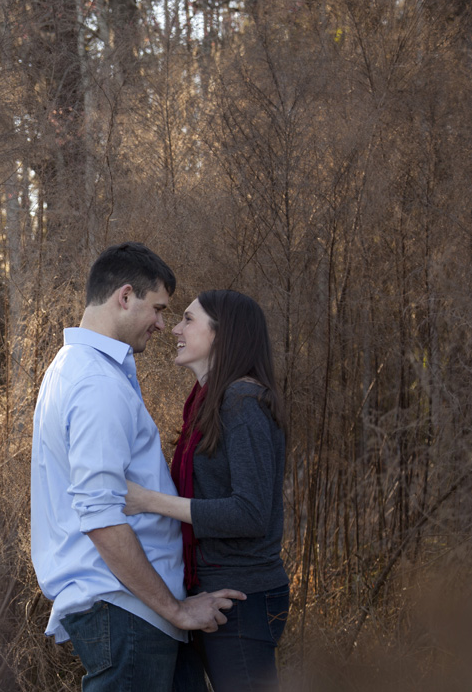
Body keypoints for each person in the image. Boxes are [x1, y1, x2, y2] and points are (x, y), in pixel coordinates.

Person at [31, 244, 245, 692]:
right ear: (125, 297)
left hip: (136, 611)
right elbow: (102, 517)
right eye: (159, 309)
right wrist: (178, 610)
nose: (164, 324)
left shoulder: (74, 369)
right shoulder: (96, 384)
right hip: (127, 610)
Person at [123, 289, 289, 691]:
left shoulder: (242, 401)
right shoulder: (208, 401)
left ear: (222, 333)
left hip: (241, 596)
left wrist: (148, 502)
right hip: (212, 589)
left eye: (188, 320)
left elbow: (250, 513)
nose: (175, 328)